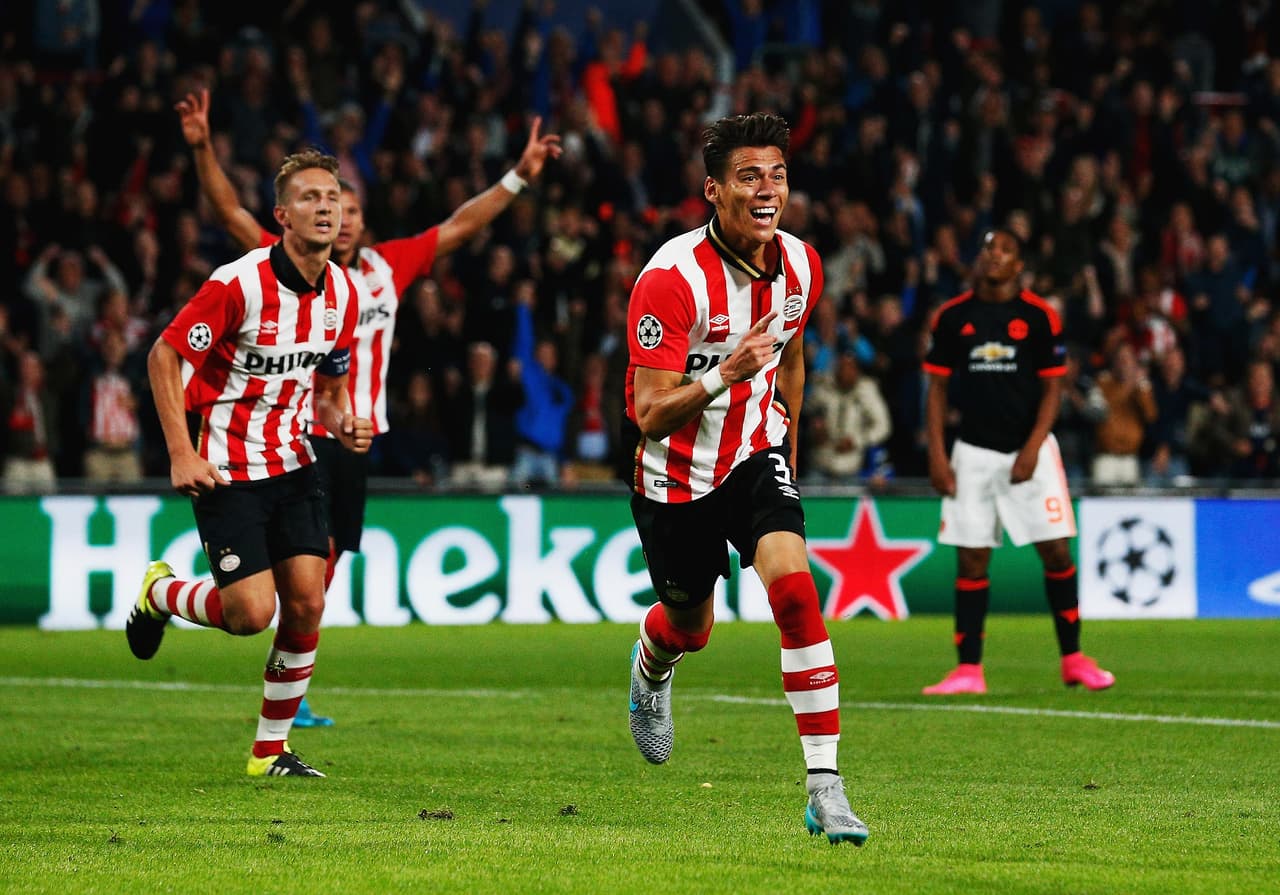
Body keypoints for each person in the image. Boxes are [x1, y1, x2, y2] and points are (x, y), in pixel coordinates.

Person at [176, 87, 560, 724]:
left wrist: (519, 176)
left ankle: (287, 682)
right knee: (301, 570)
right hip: (290, 431)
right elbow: (228, 212)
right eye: (328, 203)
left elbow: (462, 225)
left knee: (319, 575)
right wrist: (201, 150)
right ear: (292, 215)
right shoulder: (272, 267)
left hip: (355, 431)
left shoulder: (383, 271)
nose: (340, 215)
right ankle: (284, 689)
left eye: (348, 206)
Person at [623, 112, 868, 845]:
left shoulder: (802, 265)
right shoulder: (669, 281)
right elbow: (648, 413)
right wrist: (725, 374)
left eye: (778, 175)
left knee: (795, 590)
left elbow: (791, 351)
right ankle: (651, 664)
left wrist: (784, 427)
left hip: (754, 454)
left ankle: (825, 787)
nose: (768, 190)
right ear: (713, 189)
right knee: (690, 627)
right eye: (749, 176)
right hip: (674, 476)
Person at [127, 149, 372, 777]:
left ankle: (270, 752)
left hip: (293, 462)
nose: (325, 207)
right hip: (226, 467)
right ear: (281, 215)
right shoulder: (238, 284)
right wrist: (181, 451)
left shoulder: (344, 294)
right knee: (249, 615)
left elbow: (330, 385)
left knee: (308, 603)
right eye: (310, 197)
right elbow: (163, 356)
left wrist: (343, 420)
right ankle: (160, 593)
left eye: (332, 197)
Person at [921, 228, 1114, 695]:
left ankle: (1073, 658)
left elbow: (1053, 387)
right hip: (972, 452)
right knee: (971, 559)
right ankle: (969, 670)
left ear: (1018, 264)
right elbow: (938, 390)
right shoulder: (952, 318)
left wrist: (1032, 448)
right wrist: (938, 454)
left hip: (1030, 450)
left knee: (1055, 550)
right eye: (988, 248)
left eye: (1004, 250)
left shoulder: (1039, 316)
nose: (994, 256)